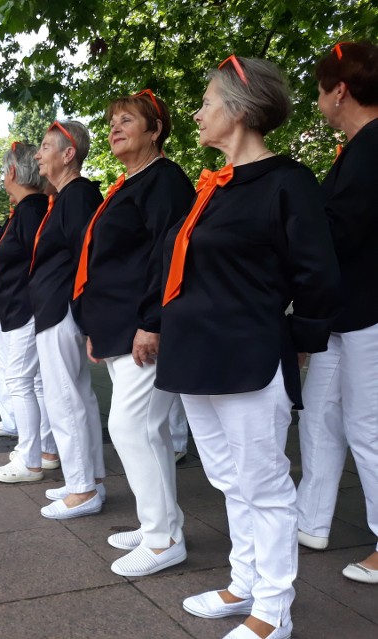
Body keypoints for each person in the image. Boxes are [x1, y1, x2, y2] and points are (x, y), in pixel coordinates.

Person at [157, 56, 341, 639]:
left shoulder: (288, 181)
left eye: (207, 101)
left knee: (264, 485)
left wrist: (304, 341)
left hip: (248, 355)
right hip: (196, 356)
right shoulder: (213, 187)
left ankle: (274, 611)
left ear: (237, 109)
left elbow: (317, 275)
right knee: (230, 480)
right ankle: (244, 584)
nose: (198, 112)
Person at [76, 91, 194, 576]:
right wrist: (96, 326)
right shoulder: (131, 183)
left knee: (132, 427)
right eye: (111, 121)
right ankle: (159, 527)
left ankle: (164, 539)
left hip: (143, 329)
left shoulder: (163, 181)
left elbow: (170, 258)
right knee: (149, 431)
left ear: (155, 130)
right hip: (121, 329)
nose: (115, 127)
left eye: (128, 120)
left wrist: (152, 321)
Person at [296, 40, 378, 585]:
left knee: (368, 425)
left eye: (321, 90)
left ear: (339, 90)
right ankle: (310, 520)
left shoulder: (373, 147)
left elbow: (341, 232)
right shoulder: (356, 148)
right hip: (342, 311)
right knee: (319, 413)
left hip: (370, 308)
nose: (318, 101)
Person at [30, 120, 107, 520]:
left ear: (68, 153)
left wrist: (83, 314)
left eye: (45, 147)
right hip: (57, 308)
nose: (38, 154)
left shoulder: (76, 196)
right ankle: (88, 478)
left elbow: (85, 257)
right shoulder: (68, 197)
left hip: (61, 309)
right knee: (75, 396)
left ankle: (82, 488)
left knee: (66, 399)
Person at [0, 141, 59, 480]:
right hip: (26, 306)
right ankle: (43, 450)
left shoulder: (30, 210)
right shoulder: (31, 209)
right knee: (32, 383)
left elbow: (15, 260)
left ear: (11, 172)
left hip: (25, 307)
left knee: (21, 382)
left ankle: (30, 459)